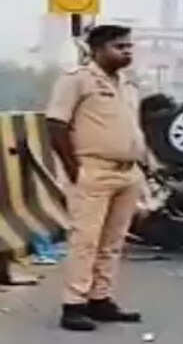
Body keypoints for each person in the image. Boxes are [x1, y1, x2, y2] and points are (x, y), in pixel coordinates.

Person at [46, 25, 145, 332]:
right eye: (119, 47)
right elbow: (56, 124)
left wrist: (144, 166)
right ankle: (74, 305)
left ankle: (100, 299)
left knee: (112, 242)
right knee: (85, 241)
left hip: (127, 172)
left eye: (128, 46)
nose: (127, 52)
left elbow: (132, 128)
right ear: (98, 50)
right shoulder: (77, 80)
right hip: (94, 170)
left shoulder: (128, 85)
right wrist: (74, 169)